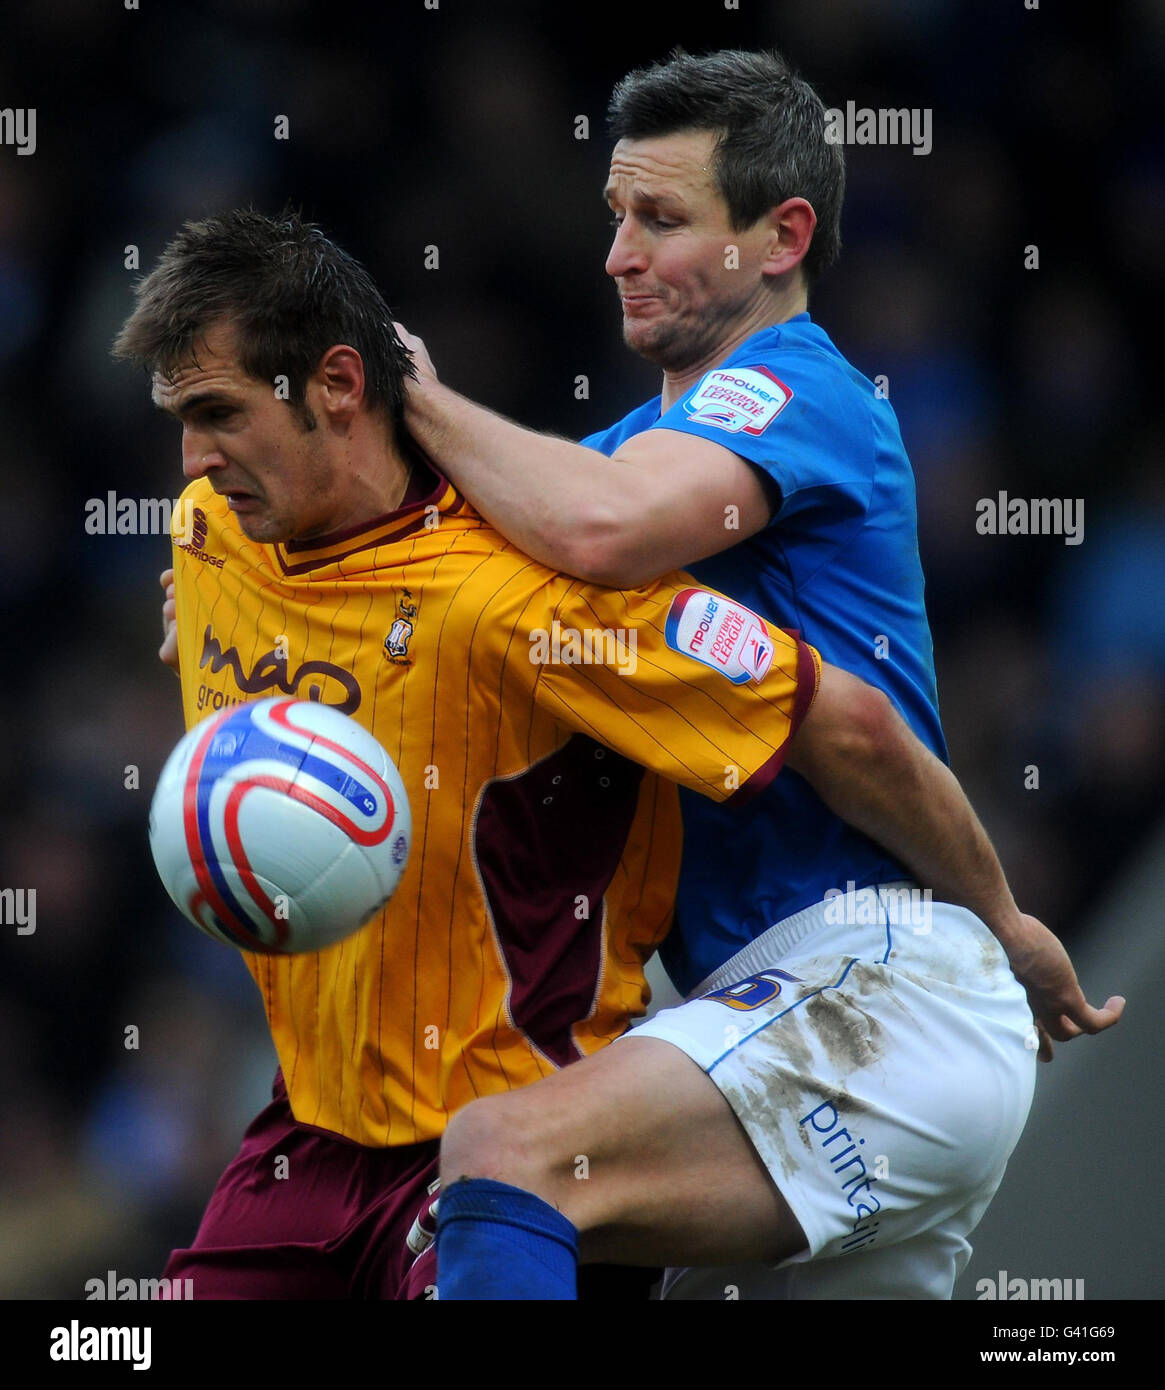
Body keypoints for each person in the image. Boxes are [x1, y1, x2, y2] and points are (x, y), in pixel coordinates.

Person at [132, 208, 1082, 1302]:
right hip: (309, 1131)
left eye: (217, 414)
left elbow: (842, 723)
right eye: (179, 422)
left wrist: (1002, 921)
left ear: (338, 385)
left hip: (523, 1153)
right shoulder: (208, 533)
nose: (194, 459)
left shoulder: (538, 596)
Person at [392, 49, 1125, 1299]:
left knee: (501, 1161)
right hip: (794, 1010)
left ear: (783, 235)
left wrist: (412, 395)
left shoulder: (802, 392)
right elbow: (458, 571)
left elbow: (604, 530)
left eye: (662, 219)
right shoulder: (614, 456)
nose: (619, 253)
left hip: (875, 984)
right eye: (615, 217)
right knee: (497, 1205)